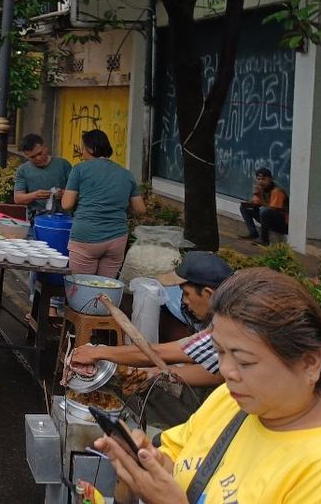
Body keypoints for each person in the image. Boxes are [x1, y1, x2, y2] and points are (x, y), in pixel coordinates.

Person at [93, 268, 321, 503]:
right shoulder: (230, 399)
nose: (226, 370)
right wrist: (150, 466)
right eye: (219, 353)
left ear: (310, 363)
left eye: (245, 361)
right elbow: (178, 462)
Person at [70, 251, 235, 389]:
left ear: (208, 293)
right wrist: (154, 373)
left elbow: (158, 353)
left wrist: (98, 352)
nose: (184, 301)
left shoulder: (231, 325)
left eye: (186, 293)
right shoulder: (229, 310)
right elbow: (216, 373)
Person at [61, 129, 146, 278]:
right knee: (104, 289)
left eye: (83, 147)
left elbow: (66, 204)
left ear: (92, 149)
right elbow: (140, 209)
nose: (81, 151)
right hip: (117, 239)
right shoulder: (126, 174)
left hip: (86, 236)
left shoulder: (80, 169)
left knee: (82, 287)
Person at [13, 133, 72, 218]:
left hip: (63, 218)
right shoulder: (23, 170)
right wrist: (35, 195)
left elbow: (79, 193)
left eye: (40, 153)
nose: (38, 158)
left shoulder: (63, 165)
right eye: (32, 157)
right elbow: (18, 198)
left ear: (45, 146)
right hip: (37, 218)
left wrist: (63, 193)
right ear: (26, 156)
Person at [238, 168, 289, 245]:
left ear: (270, 179)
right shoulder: (262, 189)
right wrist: (256, 194)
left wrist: (260, 202)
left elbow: (273, 209)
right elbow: (255, 204)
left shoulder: (277, 191)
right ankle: (253, 233)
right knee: (245, 207)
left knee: (264, 211)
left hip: (282, 223)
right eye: (259, 179)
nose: (261, 181)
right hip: (269, 217)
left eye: (264, 179)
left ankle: (264, 240)